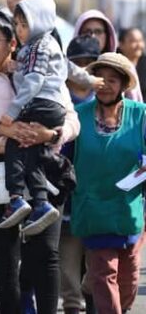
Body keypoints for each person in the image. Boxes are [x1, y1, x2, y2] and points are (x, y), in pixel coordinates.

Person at [0, 11, 80, 314]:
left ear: (12, 43)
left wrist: (53, 132)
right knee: (5, 258)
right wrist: (1, 129)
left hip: (44, 172)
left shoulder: (41, 69)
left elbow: (72, 117)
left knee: (46, 255)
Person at [71, 52, 145, 314]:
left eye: (113, 80)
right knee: (104, 274)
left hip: (130, 210)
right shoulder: (77, 116)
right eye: (100, 79)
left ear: (124, 86)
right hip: (93, 208)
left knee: (129, 278)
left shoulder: (141, 115)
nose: (105, 84)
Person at [0, 0, 67, 235]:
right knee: (31, 151)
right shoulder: (41, 46)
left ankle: (15, 196)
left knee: (15, 143)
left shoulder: (39, 45)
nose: (19, 30)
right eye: (16, 25)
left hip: (40, 104)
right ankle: (40, 202)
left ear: (39, 22)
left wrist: (11, 112)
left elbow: (34, 80)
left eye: (24, 25)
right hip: (52, 108)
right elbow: (71, 70)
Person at [58, 36, 100, 314]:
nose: (84, 70)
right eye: (78, 64)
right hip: (66, 198)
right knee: (67, 265)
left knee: (97, 267)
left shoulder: (109, 101)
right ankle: (73, 305)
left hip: (100, 198)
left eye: (90, 64)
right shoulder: (56, 98)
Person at [74, 9, 143, 102]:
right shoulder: (69, 68)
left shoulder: (123, 67)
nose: (93, 36)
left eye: (98, 32)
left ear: (107, 35)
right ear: (78, 34)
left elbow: (135, 109)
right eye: (87, 32)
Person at [118, 27, 146, 100]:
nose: (138, 45)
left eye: (140, 40)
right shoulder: (115, 65)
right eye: (133, 41)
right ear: (121, 44)